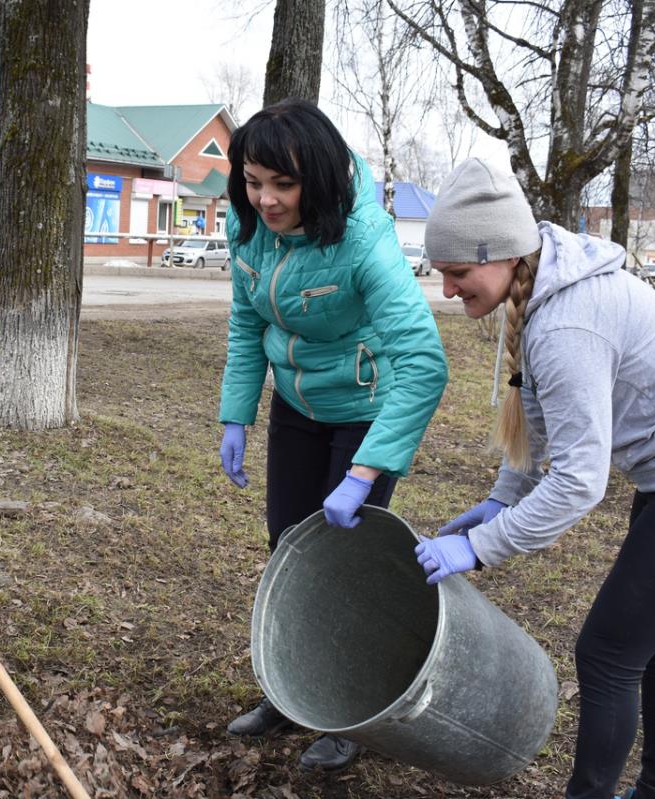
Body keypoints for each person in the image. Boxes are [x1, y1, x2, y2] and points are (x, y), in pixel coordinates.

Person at [413, 158, 655, 799]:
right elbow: (537, 422)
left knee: (607, 655)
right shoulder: (538, 290)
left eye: (456, 272)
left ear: (501, 252)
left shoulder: (565, 322)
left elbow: (580, 482)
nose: (448, 289)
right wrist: (501, 498)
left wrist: (479, 548)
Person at [217, 98, 448, 771]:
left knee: (349, 568)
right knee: (289, 550)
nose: (265, 199)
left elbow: (425, 364)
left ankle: (354, 713)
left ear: (315, 179)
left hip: (365, 408)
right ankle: (290, 693)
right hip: (296, 404)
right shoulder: (246, 227)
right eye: (254, 181)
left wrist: (364, 472)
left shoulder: (362, 240)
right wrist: (238, 412)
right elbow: (244, 320)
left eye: (282, 185)